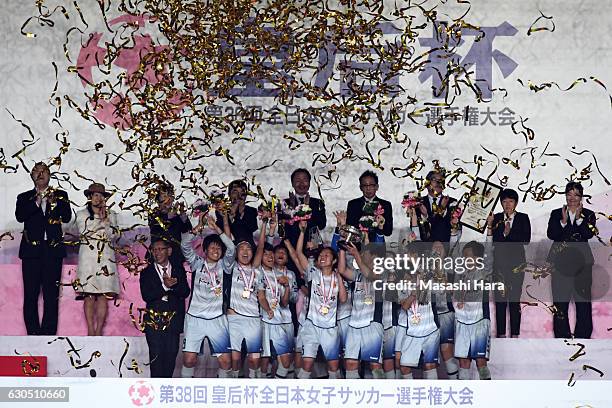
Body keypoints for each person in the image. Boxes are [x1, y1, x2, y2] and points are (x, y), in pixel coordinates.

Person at [285, 220, 347, 379]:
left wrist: (340, 277)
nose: (322, 257)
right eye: (320, 256)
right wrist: (302, 232)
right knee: (306, 365)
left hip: (330, 328)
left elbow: (343, 299)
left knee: (333, 367)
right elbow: (298, 253)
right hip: (311, 325)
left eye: (326, 255)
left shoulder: (337, 277)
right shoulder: (313, 273)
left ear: (333, 261)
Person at [16, 162, 72, 335]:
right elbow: (20, 216)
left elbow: (68, 217)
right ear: (32, 175)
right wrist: (36, 202)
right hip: (31, 253)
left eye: (44, 171)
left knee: (51, 295)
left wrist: (54, 202)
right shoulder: (24, 197)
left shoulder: (61, 195)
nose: (40, 174)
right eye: (37, 171)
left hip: (52, 252)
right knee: (31, 295)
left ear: (50, 175)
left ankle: (48, 334)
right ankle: (32, 333)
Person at [180, 213, 235, 378]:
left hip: (217, 319)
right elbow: (184, 245)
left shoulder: (225, 266)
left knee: (226, 362)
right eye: (212, 247)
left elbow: (231, 248)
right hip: (194, 318)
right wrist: (199, 227)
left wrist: (216, 229)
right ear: (204, 250)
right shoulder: (197, 264)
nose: (216, 250)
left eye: (218, 248)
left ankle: (221, 394)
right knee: (189, 360)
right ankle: (186, 395)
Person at [546, 182, 597, 339]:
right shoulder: (556, 213)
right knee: (560, 303)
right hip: (560, 265)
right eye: (569, 194)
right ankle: (561, 337)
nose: (572, 198)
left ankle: (584, 337)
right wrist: (563, 222)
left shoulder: (589, 214)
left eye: (576, 194)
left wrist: (580, 220)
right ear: (565, 196)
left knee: (583, 303)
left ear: (581, 197)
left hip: (582, 265)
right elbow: (552, 234)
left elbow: (587, 235)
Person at [75, 183, 120, 336]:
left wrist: (106, 221)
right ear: (89, 198)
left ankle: (99, 330)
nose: (98, 198)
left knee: (103, 294)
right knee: (89, 294)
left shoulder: (111, 214)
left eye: (101, 195)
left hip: (106, 258)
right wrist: (99, 221)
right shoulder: (81, 214)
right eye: (95, 195)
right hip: (88, 258)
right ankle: (90, 330)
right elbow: (84, 232)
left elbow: (115, 235)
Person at [140, 239, 190, 377]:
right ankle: (155, 391)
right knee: (156, 357)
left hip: (173, 321)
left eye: (160, 249)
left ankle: (165, 389)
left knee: (171, 356)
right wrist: (164, 286)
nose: (157, 253)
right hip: (154, 322)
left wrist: (173, 286)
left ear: (169, 251)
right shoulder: (146, 272)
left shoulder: (178, 270)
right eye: (154, 250)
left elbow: (185, 291)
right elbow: (147, 296)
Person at [454, 214, 494, 380]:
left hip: (479, 322)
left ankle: (487, 398)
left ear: (478, 258)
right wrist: (455, 229)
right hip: (462, 322)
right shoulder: (460, 274)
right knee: (463, 361)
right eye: (464, 257)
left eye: (467, 256)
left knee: (480, 361)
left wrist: (490, 228)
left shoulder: (484, 272)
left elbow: (489, 252)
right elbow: (453, 251)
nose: (464, 260)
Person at [258, 217, 298, 379]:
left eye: (284, 253)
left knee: (285, 359)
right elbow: (264, 249)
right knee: (265, 357)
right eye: (277, 252)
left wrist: (287, 286)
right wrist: (270, 229)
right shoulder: (262, 270)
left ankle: (278, 387)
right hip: (264, 318)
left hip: (285, 319)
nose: (280, 254)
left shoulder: (289, 275)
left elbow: (290, 300)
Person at [492, 188, 531, 338]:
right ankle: (501, 334)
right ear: (501, 203)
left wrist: (508, 234)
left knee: (515, 300)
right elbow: (493, 239)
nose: (507, 204)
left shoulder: (523, 218)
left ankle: (515, 334)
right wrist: (501, 233)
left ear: (516, 203)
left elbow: (526, 239)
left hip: (517, 265)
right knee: (500, 300)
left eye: (511, 201)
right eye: (504, 201)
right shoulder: (495, 218)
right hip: (499, 265)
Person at [148, 182, 192, 265]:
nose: (167, 199)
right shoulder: (153, 214)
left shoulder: (177, 216)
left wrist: (183, 216)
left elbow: (188, 231)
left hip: (176, 257)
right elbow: (155, 230)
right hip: (158, 257)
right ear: (158, 200)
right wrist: (167, 216)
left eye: (169, 195)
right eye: (164, 196)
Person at [346, 170, 393, 243]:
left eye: (371, 185)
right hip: (357, 247)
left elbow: (388, 232)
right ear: (360, 187)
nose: (368, 188)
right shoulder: (353, 204)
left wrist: (380, 223)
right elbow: (351, 229)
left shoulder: (385, 205)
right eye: (365, 185)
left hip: (377, 246)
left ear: (377, 187)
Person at [417, 169, 460, 243]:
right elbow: (418, 230)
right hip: (425, 248)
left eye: (441, 180)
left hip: (446, 248)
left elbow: (455, 230)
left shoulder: (452, 203)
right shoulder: (419, 203)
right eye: (434, 179)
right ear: (427, 184)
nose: (438, 182)